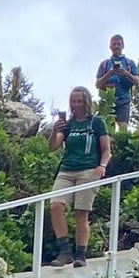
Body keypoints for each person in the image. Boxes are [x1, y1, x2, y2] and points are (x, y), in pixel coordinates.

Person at [45, 86, 111, 266]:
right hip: (67, 169)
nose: (75, 105)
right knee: (56, 206)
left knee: (81, 213)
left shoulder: (97, 122)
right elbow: (53, 147)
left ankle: (80, 254)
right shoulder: (68, 124)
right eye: (73, 101)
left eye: (79, 101)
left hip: (89, 169)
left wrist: (102, 166)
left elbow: (106, 150)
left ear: (86, 102)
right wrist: (54, 130)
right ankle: (64, 251)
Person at [95, 35, 139, 126]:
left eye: (118, 44)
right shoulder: (104, 64)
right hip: (107, 101)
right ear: (110, 46)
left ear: (123, 46)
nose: (116, 46)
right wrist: (109, 74)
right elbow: (97, 84)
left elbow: (137, 81)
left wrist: (126, 73)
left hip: (124, 100)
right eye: (114, 44)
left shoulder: (129, 63)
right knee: (107, 129)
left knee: (122, 128)